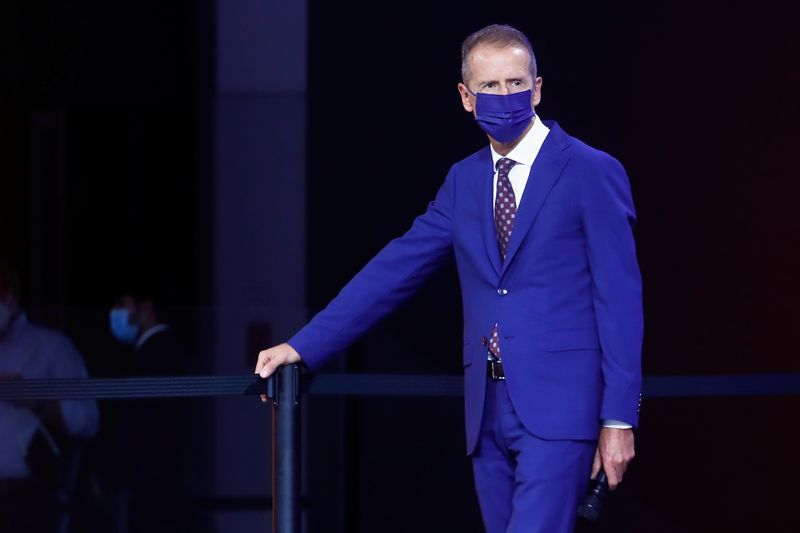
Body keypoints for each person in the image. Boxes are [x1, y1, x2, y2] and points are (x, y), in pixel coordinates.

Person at [256, 24, 642, 533]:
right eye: (490, 86)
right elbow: (395, 270)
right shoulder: (464, 181)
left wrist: (618, 419)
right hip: (486, 412)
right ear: (466, 97)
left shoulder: (591, 171)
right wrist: (305, 346)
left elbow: (620, 300)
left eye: (515, 83)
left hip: (560, 410)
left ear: (538, 87)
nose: (505, 96)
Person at [0, 259, 99, 531]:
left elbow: (87, 421)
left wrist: (35, 399)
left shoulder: (51, 346)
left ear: (10, 296)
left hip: (27, 501)